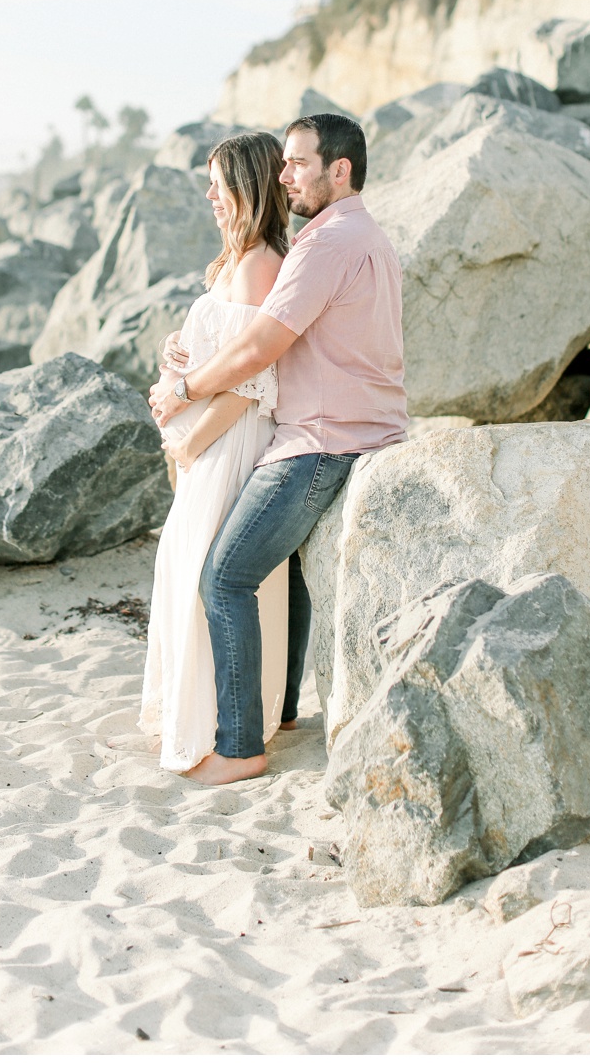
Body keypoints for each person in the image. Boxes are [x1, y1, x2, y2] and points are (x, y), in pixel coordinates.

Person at [150, 112, 407, 785]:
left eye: (297, 163)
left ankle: (240, 748)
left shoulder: (322, 246)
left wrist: (183, 387)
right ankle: (284, 708)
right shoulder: (364, 237)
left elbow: (262, 347)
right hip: (357, 431)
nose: (284, 174)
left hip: (319, 442)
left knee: (227, 576)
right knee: (284, 572)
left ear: (339, 169)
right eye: (282, 165)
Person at [139, 132, 291, 772]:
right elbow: (219, 351)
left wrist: (189, 438)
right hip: (203, 442)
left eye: (218, 185)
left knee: (205, 572)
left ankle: (224, 729)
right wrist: (178, 354)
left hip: (229, 444)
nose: (209, 196)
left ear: (246, 189)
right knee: (181, 566)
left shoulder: (262, 265)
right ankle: (187, 712)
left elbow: (257, 382)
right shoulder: (234, 260)